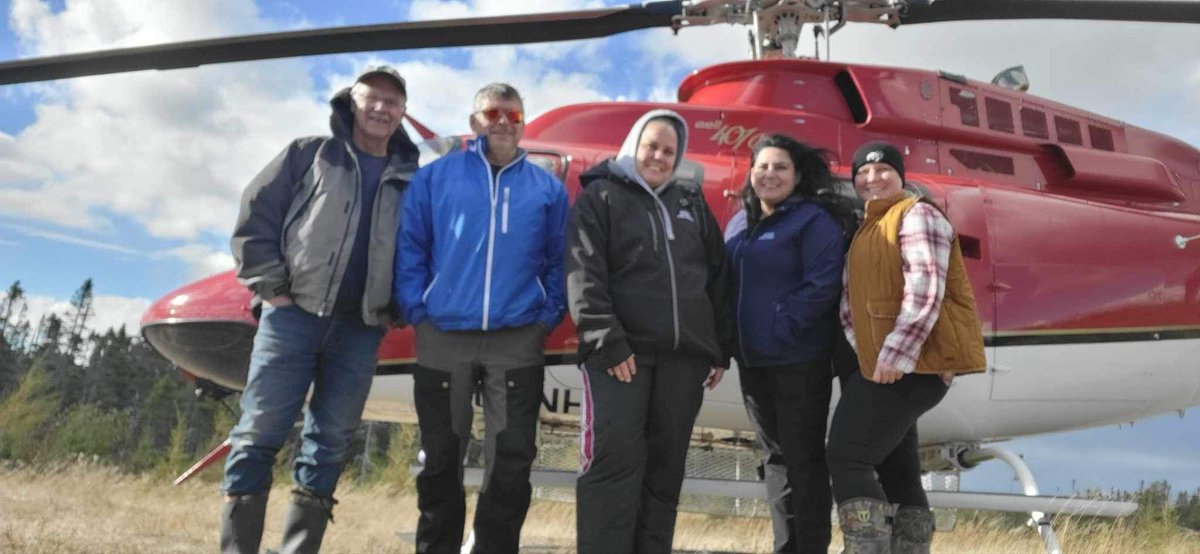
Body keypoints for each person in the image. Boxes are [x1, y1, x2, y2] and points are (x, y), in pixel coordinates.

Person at [223, 65, 418, 553]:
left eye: (392, 102)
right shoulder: (309, 153)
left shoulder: (411, 179)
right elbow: (256, 215)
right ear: (351, 102)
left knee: (330, 441)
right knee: (258, 432)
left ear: (403, 114)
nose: (381, 108)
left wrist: (401, 305)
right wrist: (273, 289)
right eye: (372, 98)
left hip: (360, 329)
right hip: (292, 317)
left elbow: (420, 247)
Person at [395, 82, 568, 554]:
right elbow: (411, 247)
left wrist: (545, 319)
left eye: (513, 115)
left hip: (517, 341)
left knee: (512, 461)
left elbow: (559, 261)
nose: (503, 123)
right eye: (493, 113)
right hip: (443, 335)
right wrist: (418, 311)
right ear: (475, 122)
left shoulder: (547, 189)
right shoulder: (436, 178)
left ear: (523, 123)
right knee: (439, 458)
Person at [568, 109, 735, 554]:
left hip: (685, 361)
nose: (659, 157)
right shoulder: (600, 197)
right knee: (614, 466)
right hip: (621, 357)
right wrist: (607, 341)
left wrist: (719, 348)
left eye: (668, 150)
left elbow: (718, 275)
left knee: (665, 472)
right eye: (651, 147)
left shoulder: (690, 202)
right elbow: (584, 274)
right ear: (632, 146)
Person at [826, 141, 986, 554]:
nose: (872, 177)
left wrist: (895, 353)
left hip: (904, 366)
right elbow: (854, 303)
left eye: (883, 170)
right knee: (898, 471)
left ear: (900, 175)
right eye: (863, 171)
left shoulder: (918, 214)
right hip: (887, 364)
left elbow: (925, 288)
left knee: (847, 457)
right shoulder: (870, 225)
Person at [725, 134, 855, 554]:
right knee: (775, 461)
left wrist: (780, 328)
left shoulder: (812, 220)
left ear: (797, 176)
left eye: (780, 167)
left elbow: (822, 286)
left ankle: (812, 547)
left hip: (798, 361)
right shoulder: (739, 223)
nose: (770, 174)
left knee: (803, 461)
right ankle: (787, 546)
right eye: (762, 166)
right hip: (753, 363)